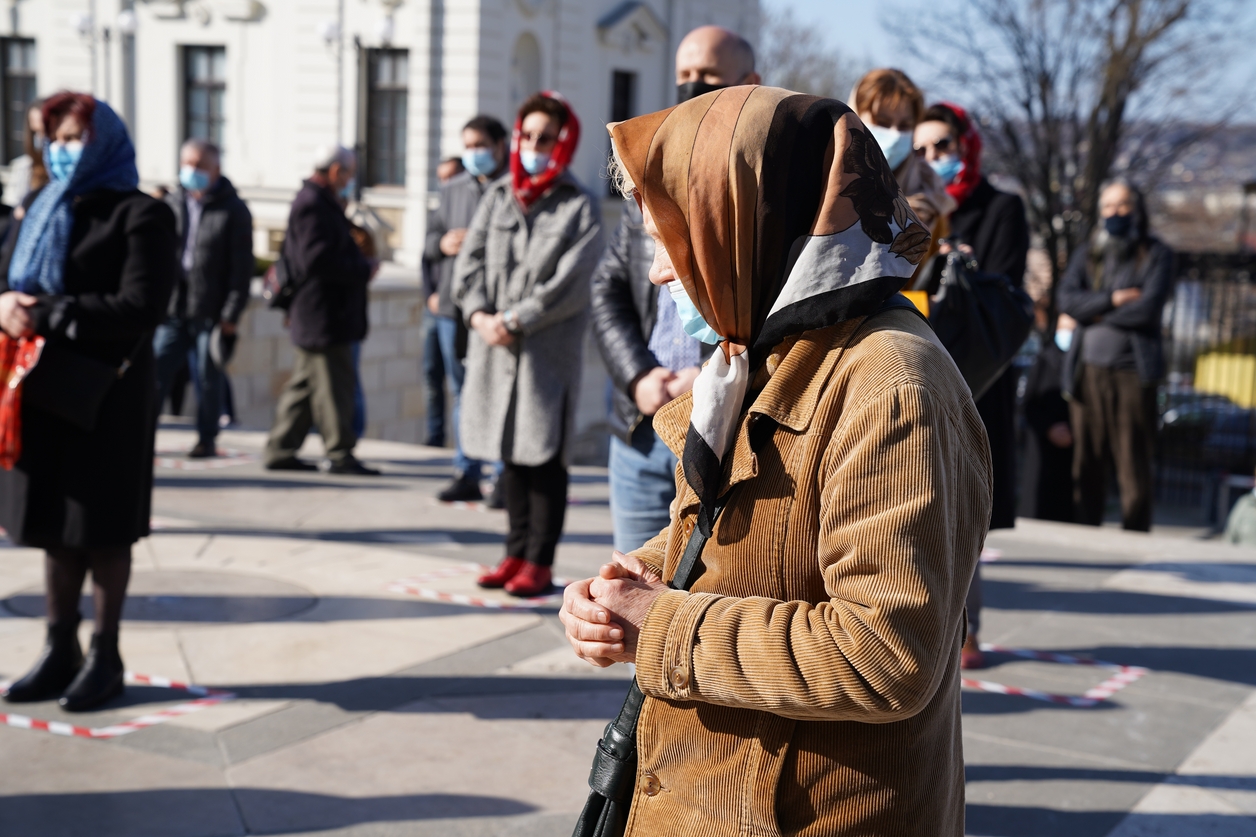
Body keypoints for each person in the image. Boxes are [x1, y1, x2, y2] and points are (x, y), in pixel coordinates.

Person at [561, 87, 991, 836]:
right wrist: (624, 583)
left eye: (672, 237)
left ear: (740, 224)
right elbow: (732, 533)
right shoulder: (764, 347)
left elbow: (885, 652)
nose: (659, 273)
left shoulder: (891, 385)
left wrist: (659, 626)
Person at [0, 92, 176, 712]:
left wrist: (47, 311)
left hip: (106, 395)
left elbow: (142, 307)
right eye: (56, 138)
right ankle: (59, 648)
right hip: (40, 389)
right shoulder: (38, 206)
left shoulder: (140, 215)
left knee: (102, 529)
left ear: (103, 142)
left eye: (75, 138)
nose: (63, 150)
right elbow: (7, 280)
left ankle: (106, 654)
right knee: (54, 525)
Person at [590, 25, 756, 554]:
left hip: (718, 425)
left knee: (701, 600)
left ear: (748, 82)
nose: (691, 87)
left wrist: (708, 374)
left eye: (707, 76)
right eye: (683, 75)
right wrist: (638, 375)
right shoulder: (652, 170)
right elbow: (609, 287)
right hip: (640, 424)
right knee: (630, 594)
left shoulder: (762, 181)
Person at [454, 93, 604, 597]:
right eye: (529, 136)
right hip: (493, 351)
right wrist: (478, 315)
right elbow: (468, 264)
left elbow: (570, 283)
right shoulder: (499, 196)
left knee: (543, 458)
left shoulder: (577, 204)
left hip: (543, 355)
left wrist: (514, 319)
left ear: (563, 142)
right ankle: (513, 551)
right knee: (509, 456)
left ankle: (539, 560)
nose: (535, 146)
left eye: (546, 138)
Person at [914, 101, 1030, 669]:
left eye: (944, 147)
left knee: (966, 508)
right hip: (918, 371)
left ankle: (966, 632)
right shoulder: (906, 204)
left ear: (967, 146)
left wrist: (958, 263)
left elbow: (1004, 291)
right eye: (925, 150)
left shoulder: (1001, 208)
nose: (936, 159)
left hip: (976, 377)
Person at [1058, 179, 1171, 531]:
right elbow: (1066, 300)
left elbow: (1147, 310)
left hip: (1133, 373)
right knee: (1086, 463)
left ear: (1136, 209)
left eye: (1121, 205)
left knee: (1132, 463)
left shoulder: (1157, 254)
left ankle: (1135, 535)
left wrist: (1090, 313)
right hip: (1086, 371)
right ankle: (1084, 533)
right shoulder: (1087, 253)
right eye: (1107, 206)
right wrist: (1114, 299)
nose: (1114, 213)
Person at [263, 145, 381, 475]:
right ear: (334, 171)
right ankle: (340, 453)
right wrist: (362, 269)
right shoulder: (313, 204)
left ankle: (279, 448)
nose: (350, 180)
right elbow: (315, 260)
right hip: (324, 315)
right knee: (334, 388)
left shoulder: (317, 201)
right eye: (348, 173)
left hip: (320, 315)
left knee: (304, 387)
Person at [428, 116, 510, 504]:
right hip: (450, 307)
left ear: (498, 146)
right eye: (468, 145)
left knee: (497, 389)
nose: (473, 153)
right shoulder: (452, 189)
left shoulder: (513, 189)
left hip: (495, 309)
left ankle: (503, 475)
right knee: (461, 391)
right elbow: (427, 243)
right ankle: (467, 469)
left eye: (480, 145)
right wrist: (442, 244)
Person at [153, 139, 253, 458]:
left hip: (210, 310)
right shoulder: (171, 203)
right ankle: (141, 430)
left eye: (200, 166)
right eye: (188, 164)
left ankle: (207, 438)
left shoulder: (234, 210)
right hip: (173, 309)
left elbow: (241, 269)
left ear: (216, 170)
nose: (192, 171)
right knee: (155, 371)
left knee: (209, 380)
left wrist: (231, 314)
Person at [851, 69, 955, 274]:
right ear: (853, 118)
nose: (895, 134)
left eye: (905, 125)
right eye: (882, 122)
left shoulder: (932, 197)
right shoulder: (825, 188)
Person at [418, 158, 466, 448]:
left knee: (458, 383)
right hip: (433, 307)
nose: (446, 183)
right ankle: (434, 437)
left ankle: (464, 450)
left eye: (451, 176)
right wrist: (429, 295)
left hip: (455, 310)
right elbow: (425, 255)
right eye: (441, 178)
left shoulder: (470, 206)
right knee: (429, 374)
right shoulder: (441, 211)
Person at [1020, 310, 1076, 523]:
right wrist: (1049, 428)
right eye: (1065, 329)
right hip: (1042, 444)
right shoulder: (1043, 359)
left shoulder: (1082, 363)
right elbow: (1028, 404)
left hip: (1071, 446)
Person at [2, 101, 46, 212]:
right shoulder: (24, 166)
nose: (40, 137)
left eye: (44, 131)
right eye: (36, 132)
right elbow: (12, 204)